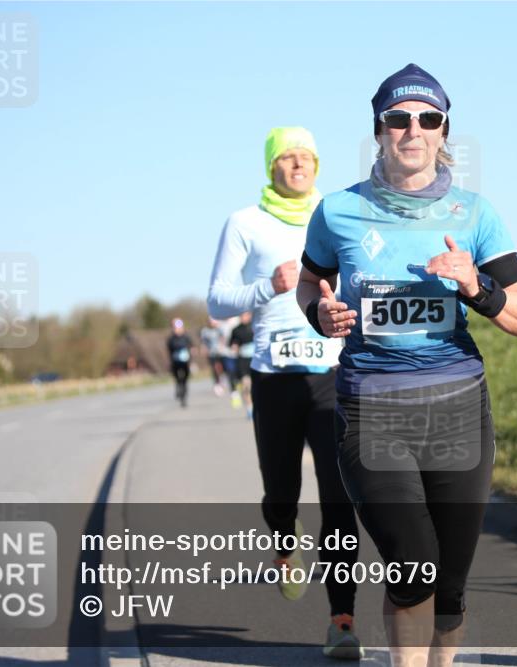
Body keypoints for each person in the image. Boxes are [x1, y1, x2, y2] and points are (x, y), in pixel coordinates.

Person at [296, 63, 517, 667]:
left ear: (444, 132)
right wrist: (320, 313)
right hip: (372, 407)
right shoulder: (337, 212)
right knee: (414, 562)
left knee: (449, 586)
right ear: (378, 131)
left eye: (428, 119)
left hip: (458, 409)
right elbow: (310, 283)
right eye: (397, 119)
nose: (412, 130)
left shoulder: (474, 213)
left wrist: (477, 288)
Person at [206, 127, 363, 659]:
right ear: (271, 166)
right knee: (281, 492)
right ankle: (283, 535)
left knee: (340, 499)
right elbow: (217, 299)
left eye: (307, 158)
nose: (298, 166)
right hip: (273, 376)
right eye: (287, 158)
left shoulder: (338, 215)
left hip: (331, 373)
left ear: (318, 165)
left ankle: (342, 620)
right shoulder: (244, 223)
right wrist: (266, 287)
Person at [228, 311, 255, 418]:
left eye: (246, 315)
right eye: (242, 315)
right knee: (246, 386)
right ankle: (249, 408)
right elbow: (232, 343)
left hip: (256, 359)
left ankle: (256, 405)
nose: (244, 317)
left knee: (255, 386)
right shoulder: (236, 330)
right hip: (243, 361)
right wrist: (234, 346)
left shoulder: (255, 326)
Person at [166, 318, 193, 408]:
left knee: (185, 379)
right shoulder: (171, 339)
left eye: (179, 328)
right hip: (175, 361)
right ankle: (178, 389)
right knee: (177, 378)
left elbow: (192, 347)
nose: (177, 330)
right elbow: (169, 350)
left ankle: (184, 396)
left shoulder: (186, 337)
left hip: (185, 362)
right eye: (175, 328)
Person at [200, 318, 229, 396]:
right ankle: (217, 384)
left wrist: (222, 346)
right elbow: (203, 342)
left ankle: (222, 380)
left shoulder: (219, 329)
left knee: (221, 367)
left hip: (220, 352)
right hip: (211, 353)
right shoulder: (205, 331)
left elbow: (223, 338)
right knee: (214, 368)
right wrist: (204, 349)